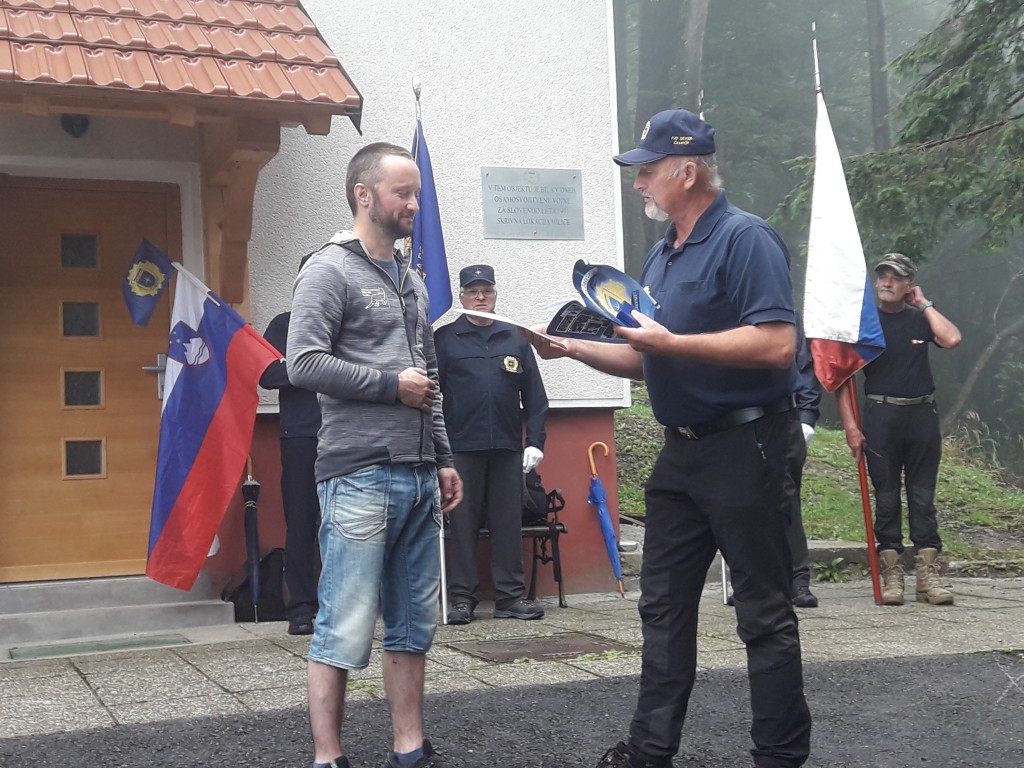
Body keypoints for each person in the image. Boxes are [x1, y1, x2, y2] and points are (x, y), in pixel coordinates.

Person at [528, 108, 811, 768]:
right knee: (661, 607)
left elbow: (777, 344)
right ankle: (649, 750)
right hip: (681, 453)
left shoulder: (746, 239)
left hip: (749, 445)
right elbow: (648, 356)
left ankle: (779, 756)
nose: (639, 184)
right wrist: (570, 348)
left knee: (763, 613)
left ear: (687, 172)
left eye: (648, 171)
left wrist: (672, 343)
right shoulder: (662, 255)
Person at [286, 142, 463, 768]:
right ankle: (327, 758)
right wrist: (391, 385)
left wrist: (444, 457)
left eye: (417, 193)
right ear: (365, 195)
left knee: (414, 626)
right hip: (357, 474)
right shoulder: (328, 270)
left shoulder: (412, 280)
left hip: (418, 475)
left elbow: (428, 378)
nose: (415, 204)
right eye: (403, 193)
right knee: (344, 624)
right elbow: (302, 363)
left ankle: (409, 750)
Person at [837, 253, 961, 607]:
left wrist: (924, 304)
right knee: (887, 498)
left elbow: (952, 339)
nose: (886, 282)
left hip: (921, 414)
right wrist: (850, 426)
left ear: (909, 285)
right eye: (882, 276)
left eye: (895, 277)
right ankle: (892, 575)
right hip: (881, 415)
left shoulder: (920, 318)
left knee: (923, 498)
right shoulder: (864, 323)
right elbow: (841, 377)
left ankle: (927, 576)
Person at [434, 264, 549, 624]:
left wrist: (535, 442)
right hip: (460, 447)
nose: (480, 297)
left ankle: (510, 597)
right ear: (462, 296)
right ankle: (461, 599)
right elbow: (431, 395)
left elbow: (535, 398)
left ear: (496, 294)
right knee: (462, 523)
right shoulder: (445, 338)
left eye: (487, 290)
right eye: (473, 291)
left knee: (507, 523)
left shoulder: (515, 337)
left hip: (506, 446)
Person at [260, 309, 322, 635]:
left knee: (348, 524)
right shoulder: (284, 324)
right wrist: (318, 368)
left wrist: (298, 367)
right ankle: (301, 608)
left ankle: (341, 605)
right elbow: (268, 373)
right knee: (300, 522)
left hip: (349, 436)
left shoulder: (348, 320)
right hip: (300, 437)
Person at [789, 321, 822, 609]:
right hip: (735, 424)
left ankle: (798, 580)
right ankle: (755, 580)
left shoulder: (787, 318)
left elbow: (805, 369)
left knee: (787, 501)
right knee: (745, 506)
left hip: (785, 420)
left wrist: (807, 417)